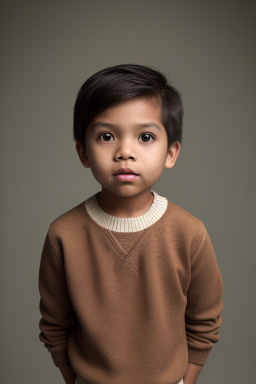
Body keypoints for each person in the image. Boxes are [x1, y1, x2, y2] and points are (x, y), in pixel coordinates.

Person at [38, 64, 223, 384]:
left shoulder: (190, 232)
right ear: (83, 151)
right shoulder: (63, 234)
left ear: (171, 152)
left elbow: (205, 322)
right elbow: (54, 323)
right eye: (106, 136)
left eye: (146, 137)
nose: (125, 152)